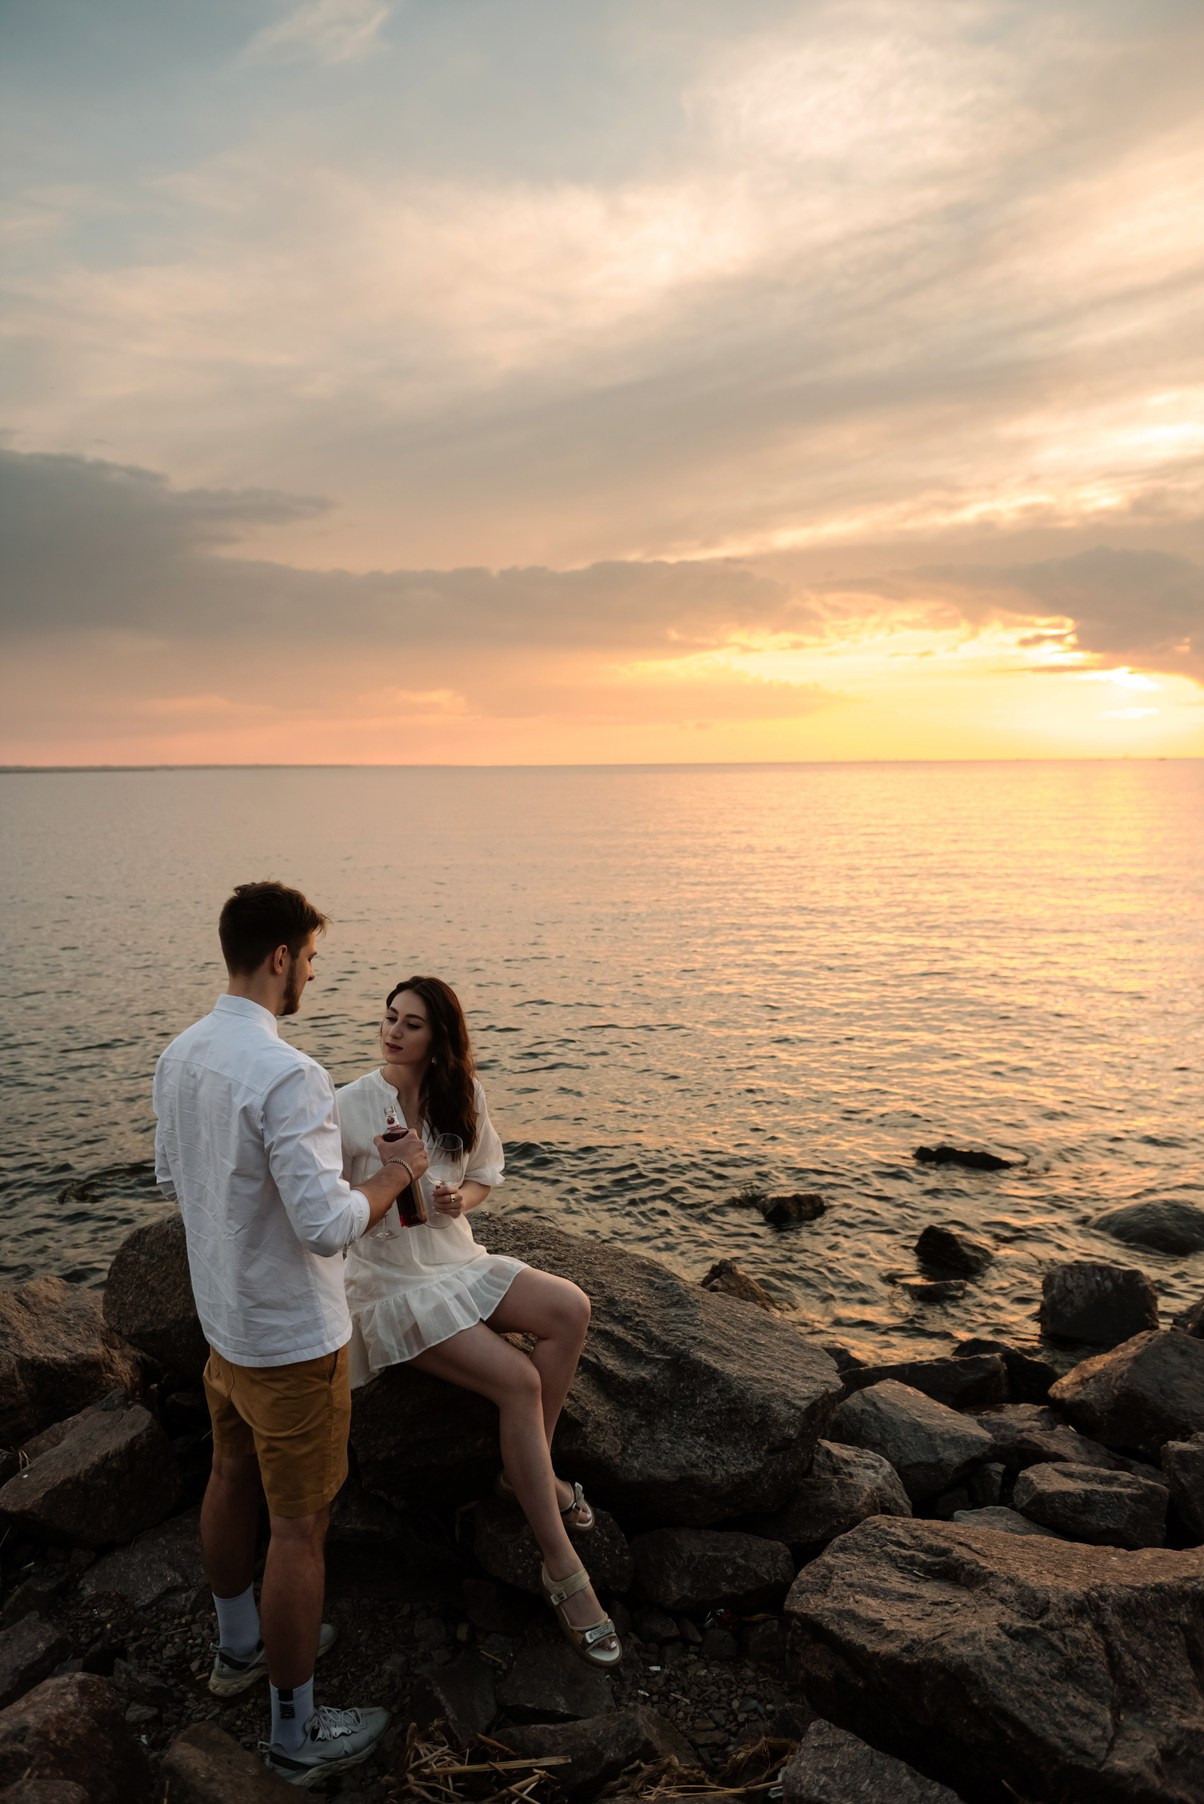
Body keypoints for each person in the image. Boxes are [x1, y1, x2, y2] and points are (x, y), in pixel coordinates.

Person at [153, 881, 431, 1786]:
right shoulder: (290, 1074)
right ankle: (295, 1729)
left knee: (229, 1474)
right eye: (310, 958)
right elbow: (328, 1226)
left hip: (224, 1326)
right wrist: (392, 1176)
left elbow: (180, 1179)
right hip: (293, 1340)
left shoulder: (181, 1054)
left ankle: (241, 1649)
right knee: (300, 1533)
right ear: (280, 958)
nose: (312, 973)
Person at [337, 976, 621, 1668]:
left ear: (440, 1037)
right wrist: (388, 1187)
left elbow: (487, 1169)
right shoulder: (345, 1107)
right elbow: (326, 1208)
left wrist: (459, 1198)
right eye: (389, 1018)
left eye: (412, 1023)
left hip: (455, 1258)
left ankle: (528, 1470)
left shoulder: (459, 1095)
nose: (394, 1032)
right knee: (519, 1382)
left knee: (570, 1308)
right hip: (390, 1279)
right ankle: (561, 1567)